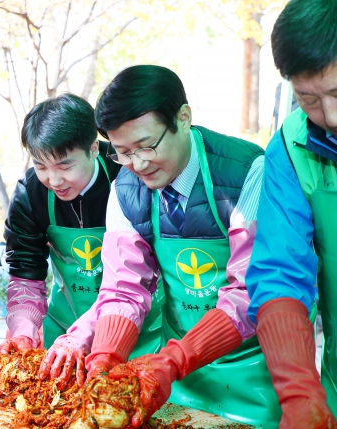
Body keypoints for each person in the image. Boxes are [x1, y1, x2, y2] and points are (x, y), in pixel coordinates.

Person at [88, 65, 281, 428]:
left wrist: (174, 359)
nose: (138, 164)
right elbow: (123, 289)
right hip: (182, 380)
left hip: (254, 374)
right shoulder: (126, 189)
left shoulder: (248, 172)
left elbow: (248, 295)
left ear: (183, 117)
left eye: (147, 146)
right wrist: (105, 356)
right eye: (123, 152)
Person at [0, 93, 163, 389]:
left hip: (138, 332)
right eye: (41, 165)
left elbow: (136, 278)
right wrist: (23, 330)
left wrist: (87, 334)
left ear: (94, 148)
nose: (54, 179)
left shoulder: (131, 178)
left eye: (64, 165)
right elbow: (25, 273)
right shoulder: (31, 193)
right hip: (64, 332)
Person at [246, 0, 337, 426]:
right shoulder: (290, 149)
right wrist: (299, 391)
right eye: (310, 99)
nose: (331, 116)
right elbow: (280, 271)